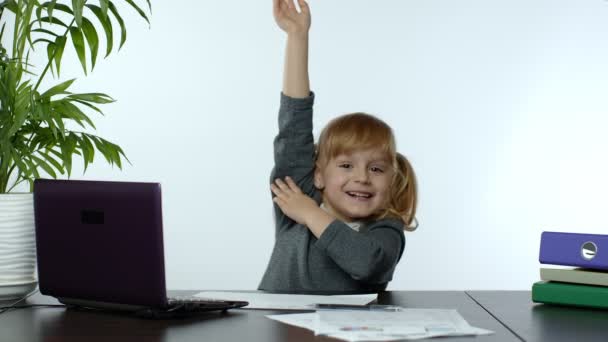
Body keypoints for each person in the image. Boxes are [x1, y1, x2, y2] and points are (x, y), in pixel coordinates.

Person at [259, 0, 418, 293]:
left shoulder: (386, 231)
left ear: (392, 180)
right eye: (346, 165)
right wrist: (297, 36)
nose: (362, 177)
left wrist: (310, 213)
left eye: (376, 168)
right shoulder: (297, 196)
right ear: (318, 174)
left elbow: (364, 263)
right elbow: (293, 128)